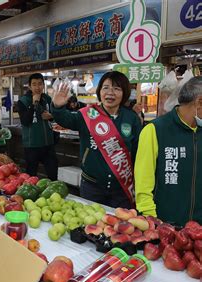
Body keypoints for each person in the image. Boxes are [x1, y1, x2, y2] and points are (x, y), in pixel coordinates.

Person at [52, 71, 142, 208]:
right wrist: (58, 107)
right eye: (105, 88)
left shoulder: (132, 118)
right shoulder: (88, 114)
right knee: (92, 224)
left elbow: (137, 152)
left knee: (121, 226)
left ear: (124, 93)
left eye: (116, 88)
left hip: (122, 188)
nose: (110, 92)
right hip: (92, 186)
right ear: (100, 91)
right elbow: (66, 119)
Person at [134, 77, 201, 226]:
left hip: (197, 231)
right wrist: (150, 218)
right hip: (165, 225)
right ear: (199, 102)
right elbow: (143, 182)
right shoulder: (155, 130)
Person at [17, 73, 58, 180]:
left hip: (48, 143)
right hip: (32, 145)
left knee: (53, 174)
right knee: (31, 176)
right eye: (34, 84)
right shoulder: (23, 101)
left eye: (40, 84)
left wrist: (51, 116)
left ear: (43, 85)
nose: (37, 87)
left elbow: (56, 116)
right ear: (29, 86)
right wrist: (34, 103)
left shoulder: (48, 99)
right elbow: (25, 121)